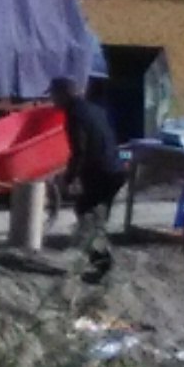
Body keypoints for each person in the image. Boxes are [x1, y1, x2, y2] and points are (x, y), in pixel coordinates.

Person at [48, 75, 127, 280]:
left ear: (64, 94)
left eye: (54, 95)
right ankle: (101, 263)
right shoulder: (94, 109)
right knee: (95, 216)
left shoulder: (74, 115)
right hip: (116, 170)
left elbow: (79, 151)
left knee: (85, 213)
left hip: (102, 172)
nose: (52, 100)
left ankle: (103, 265)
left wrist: (68, 178)